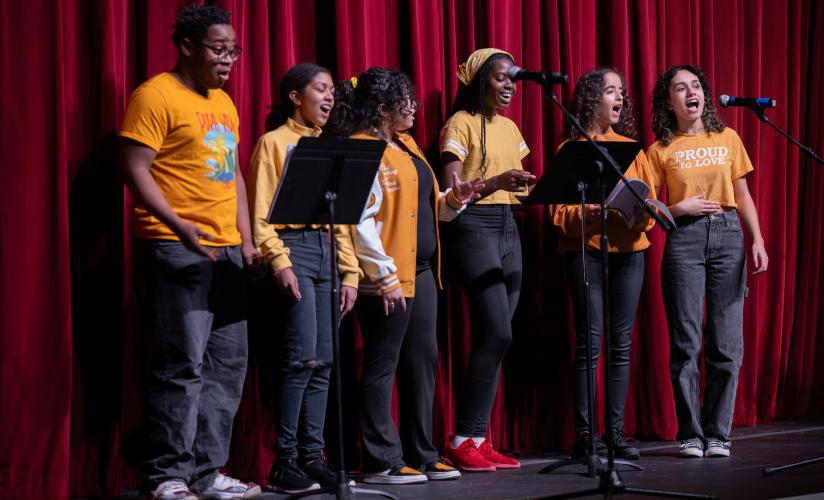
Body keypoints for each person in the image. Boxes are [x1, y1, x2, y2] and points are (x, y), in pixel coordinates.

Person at [119, 4, 261, 500]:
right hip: (176, 248)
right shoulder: (155, 95)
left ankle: (206, 470)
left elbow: (235, 177)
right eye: (219, 50)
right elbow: (134, 167)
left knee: (227, 366)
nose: (228, 60)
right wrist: (177, 224)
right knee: (182, 364)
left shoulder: (223, 102)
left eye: (233, 51)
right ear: (186, 46)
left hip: (226, 253)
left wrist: (245, 239)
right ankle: (168, 475)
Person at [326, 67, 478, 484]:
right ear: (381, 109)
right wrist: (384, 274)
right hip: (387, 275)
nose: (414, 108)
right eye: (404, 102)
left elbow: (426, 210)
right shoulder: (360, 147)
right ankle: (380, 459)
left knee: (421, 362)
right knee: (382, 363)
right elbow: (359, 220)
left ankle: (421, 452)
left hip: (424, 270)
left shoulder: (407, 144)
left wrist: (455, 201)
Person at [246, 63, 362, 494]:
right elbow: (259, 215)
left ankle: (314, 457)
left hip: (328, 254)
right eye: (320, 89)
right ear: (296, 96)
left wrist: (350, 271)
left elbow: (342, 218)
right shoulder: (273, 143)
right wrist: (280, 261)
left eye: (333, 90)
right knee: (302, 359)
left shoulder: (331, 145)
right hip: (295, 250)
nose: (329, 97)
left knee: (326, 362)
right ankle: (286, 461)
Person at [646, 64, 768, 459]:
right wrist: (677, 207)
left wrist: (757, 239)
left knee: (727, 341)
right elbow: (644, 202)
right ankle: (691, 433)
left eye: (695, 86)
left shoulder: (727, 137)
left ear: (704, 95)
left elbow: (743, 194)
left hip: (729, 235)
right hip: (684, 240)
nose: (690, 93)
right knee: (686, 342)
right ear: (669, 102)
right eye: (680, 89)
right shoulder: (660, 148)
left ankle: (719, 433)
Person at [550, 68, 656, 460]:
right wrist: (594, 213)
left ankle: (614, 433)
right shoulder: (571, 150)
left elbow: (649, 206)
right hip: (586, 253)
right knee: (589, 345)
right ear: (592, 98)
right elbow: (558, 217)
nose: (620, 98)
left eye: (622, 92)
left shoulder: (632, 148)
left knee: (621, 346)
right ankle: (585, 435)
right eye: (611, 91)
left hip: (631, 255)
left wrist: (639, 213)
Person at [439, 48, 536, 472]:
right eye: (500, 78)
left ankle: (479, 436)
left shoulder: (511, 127)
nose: (509, 86)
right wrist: (496, 181)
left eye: (513, 79)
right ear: (479, 81)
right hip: (474, 226)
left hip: (509, 227)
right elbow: (453, 190)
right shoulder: (459, 123)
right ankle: (461, 437)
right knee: (496, 331)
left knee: (500, 337)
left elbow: (518, 182)